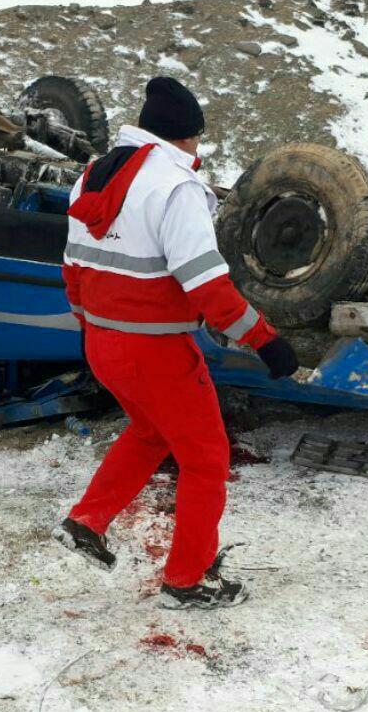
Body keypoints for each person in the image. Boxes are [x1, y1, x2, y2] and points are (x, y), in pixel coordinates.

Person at [53, 76, 300, 610]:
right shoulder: (176, 188)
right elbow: (205, 282)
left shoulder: (92, 176)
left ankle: (86, 520)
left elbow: (71, 266)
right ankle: (187, 582)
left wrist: (90, 323)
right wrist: (266, 340)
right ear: (188, 137)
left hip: (101, 341)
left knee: (148, 432)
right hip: (156, 351)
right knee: (207, 460)